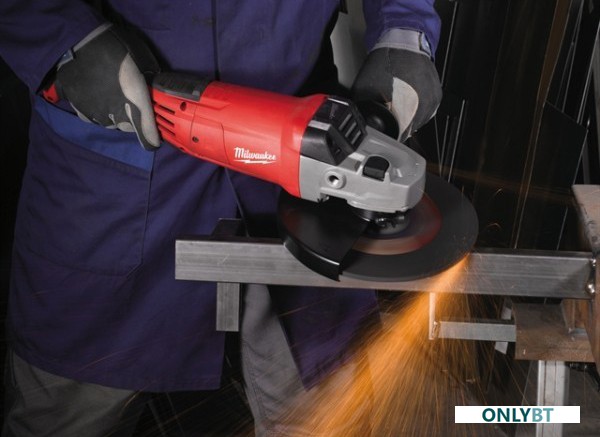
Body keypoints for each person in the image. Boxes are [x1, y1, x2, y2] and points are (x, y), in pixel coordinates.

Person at [0, 1, 442, 435]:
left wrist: (406, 31)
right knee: (70, 407)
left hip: (302, 150)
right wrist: (64, 39)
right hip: (119, 153)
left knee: (327, 415)